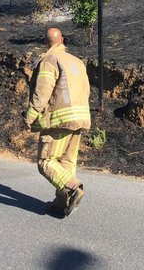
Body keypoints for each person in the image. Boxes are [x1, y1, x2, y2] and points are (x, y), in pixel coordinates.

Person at [23, 27, 91, 217]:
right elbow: (87, 91)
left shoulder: (49, 60)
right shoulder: (77, 62)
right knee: (66, 162)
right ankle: (61, 204)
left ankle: (73, 188)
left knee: (45, 162)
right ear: (62, 40)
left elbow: (42, 92)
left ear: (46, 43)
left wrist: (30, 116)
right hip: (80, 117)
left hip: (59, 120)